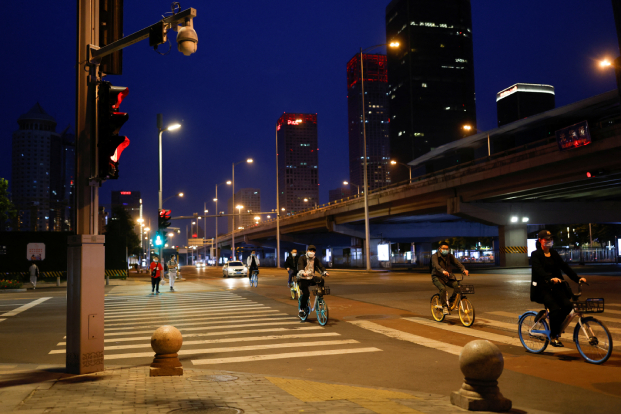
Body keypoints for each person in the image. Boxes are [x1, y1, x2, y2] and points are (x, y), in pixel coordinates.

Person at [531, 229, 586, 347]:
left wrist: (578, 279)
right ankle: (553, 336)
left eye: (551, 239)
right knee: (555, 308)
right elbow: (538, 270)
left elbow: (565, 267)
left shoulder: (554, 254)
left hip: (556, 287)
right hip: (543, 289)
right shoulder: (536, 255)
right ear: (540, 240)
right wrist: (549, 278)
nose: (549, 241)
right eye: (547, 239)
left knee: (568, 306)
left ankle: (555, 326)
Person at [431, 242, 469, 315]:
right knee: (443, 289)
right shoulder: (435, 256)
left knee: (458, 286)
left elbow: (457, 263)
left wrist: (463, 269)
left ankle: (451, 302)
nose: (445, 250)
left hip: (448, 277)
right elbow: (436, 266)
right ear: (440, 249)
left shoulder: (449, 256)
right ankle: (444, 307)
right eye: (444, 249)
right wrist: (442, 271)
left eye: (447, 249)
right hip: (437, 277)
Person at [296, 245, 329, 319]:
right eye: (310, 250)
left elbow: (320, 266)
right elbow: (300, 266)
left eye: (313, 251)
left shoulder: (315, 259)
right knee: (306, 294)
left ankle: (320, 298)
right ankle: (301, 309)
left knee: (321, 280)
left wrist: (325, 272)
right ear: (307, 251)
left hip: (311, 277)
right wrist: (303, 273)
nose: (312, 252)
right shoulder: (302, 258)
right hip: (302, 278)